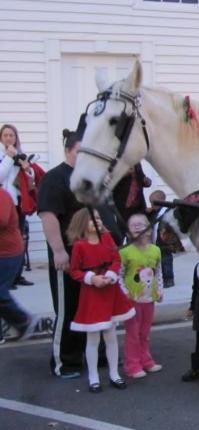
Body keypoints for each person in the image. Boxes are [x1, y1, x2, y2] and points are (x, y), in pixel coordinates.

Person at [37, 128, 123, 379]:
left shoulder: (93, 179)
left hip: (100, 259)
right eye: (79, 151)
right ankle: (66, 362)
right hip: (72, 259)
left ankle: (100, 356)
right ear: (67, 151)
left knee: (98, 309)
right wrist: (58, 251)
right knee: (70, 309)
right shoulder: (55, 179)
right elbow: (48, 215)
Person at [67, 208, 135, 393]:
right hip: (92, 295)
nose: (96, 221)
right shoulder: (80, 246)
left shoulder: (107, 239)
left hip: (110, 290)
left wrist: (111, 275)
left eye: (98, 217)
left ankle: (114, 374)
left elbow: (116, 259)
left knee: (111, 335)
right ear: (82, 224)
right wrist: (92, 278)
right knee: (93, 338)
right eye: (91, 219)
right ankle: (93, 377)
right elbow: (74, 271)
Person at [119, 213, 163, 379]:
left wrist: (159, 290)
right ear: (128, 231)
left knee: (145, 332)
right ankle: (132, 365)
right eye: (133, 225)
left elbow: (158, 272)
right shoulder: (125, 252)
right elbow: (119, 275)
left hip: (149, 299)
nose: (137, 227)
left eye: (141, 224)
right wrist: (125, 294)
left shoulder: (156, 250)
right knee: (133, 333)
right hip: (132, 300)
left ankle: (146, 360)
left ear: (148, 229)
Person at [0, 123, 44, 288]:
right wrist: (9, 158)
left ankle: (17, 275)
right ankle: (7, 278)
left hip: (18, 204)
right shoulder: (4, 155)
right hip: (4, 204)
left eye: (12, 135)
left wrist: (27, 168)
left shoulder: (20, 154)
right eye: (5, 135)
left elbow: (30, 178)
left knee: (20, 240)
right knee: (5, 242)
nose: (9, 138)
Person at [0, 188, 37, 344]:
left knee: (0, 293)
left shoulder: (1, 195)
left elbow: (1, 220)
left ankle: (24, 321)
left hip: (7, 253)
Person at [148, 190, 183, 288]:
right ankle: (155, 278)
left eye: (153, 202)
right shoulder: (155, 212)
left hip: (165, 243)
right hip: (155, 241)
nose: (152, 205)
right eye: (151, 202)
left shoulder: (168, 211)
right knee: (155, 261)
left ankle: (168, 279)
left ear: (162, 200)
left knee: (166, 261)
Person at [112, 163, 151, 236]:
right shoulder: (120, 162)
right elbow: (112, 180)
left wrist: (147, 182)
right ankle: (123, 245)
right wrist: (125, 174)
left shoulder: (137, 164)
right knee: (123, 229)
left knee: (141, 227)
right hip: (123, 205)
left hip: (138, 204)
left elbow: (142, 178)